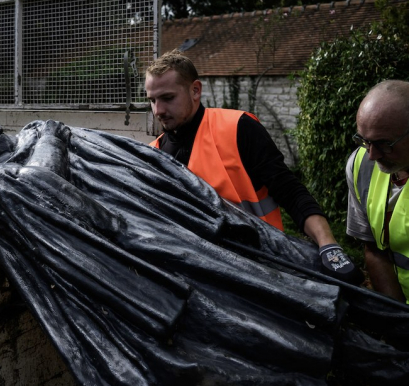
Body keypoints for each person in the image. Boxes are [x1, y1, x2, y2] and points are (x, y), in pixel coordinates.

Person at [0, 106, 409, 385]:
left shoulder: (46, 135)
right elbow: (51, 197)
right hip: (153, 268)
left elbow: (149, 162)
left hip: (197, 229)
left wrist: (210, 208)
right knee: (278, 327)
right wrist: (49, 139)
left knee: (310, 287)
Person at [145, 49, 362, 285]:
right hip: (196, 277)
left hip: (261, 269)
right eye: (152, 100)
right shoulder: (153, 153)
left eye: (167, 98)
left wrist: (328, 245)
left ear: (195, 90)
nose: (158, 111)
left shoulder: (238, 128)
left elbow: (289, 191)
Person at [347, 80, 409, 304]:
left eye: (384, 143)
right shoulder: (360, 164)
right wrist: (397, 321)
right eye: (364, 141)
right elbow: (374, 249)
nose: (372, 155)